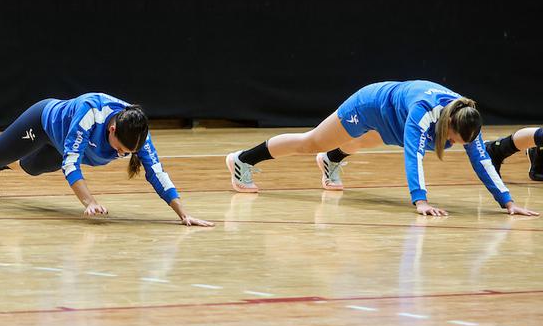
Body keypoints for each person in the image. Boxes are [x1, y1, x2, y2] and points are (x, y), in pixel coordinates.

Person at [225, 80, 538, 217]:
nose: (459, 146)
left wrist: (507, 202)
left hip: (391, 119)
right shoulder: (423, 111)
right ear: (449, 125)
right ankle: (242, 160)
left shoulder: (467, 119)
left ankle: (331, 160)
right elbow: (413, 156)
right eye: (457, 140)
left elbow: (482, 159)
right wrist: (421, 201)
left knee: (368, 141)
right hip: (371, 104)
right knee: (313, 142)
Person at [0, 93, 213, 226]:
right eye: (119, 148)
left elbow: (157, 172)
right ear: (112, 127)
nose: (121, 155)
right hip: (43, 125)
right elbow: (71, 164)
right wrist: (88, 201)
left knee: (31, 169)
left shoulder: (138, 133)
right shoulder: (90, 114)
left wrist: (182, 214)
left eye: (127, 154)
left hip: (61, 145)